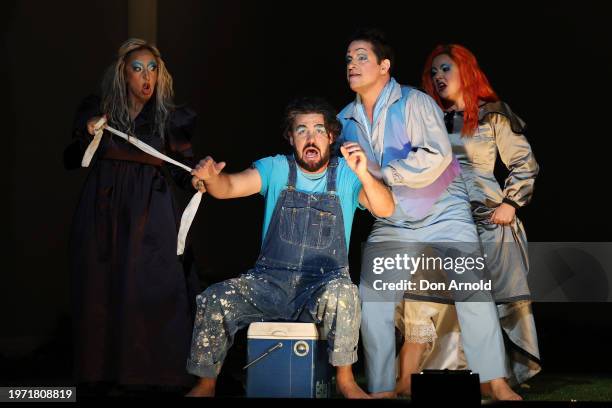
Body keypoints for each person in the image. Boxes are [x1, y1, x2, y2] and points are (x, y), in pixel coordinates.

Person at [337, 28, 522, 400]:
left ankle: (497, 383)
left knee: (472, 291)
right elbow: (353, 183)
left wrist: (379, 173)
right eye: (348, 59)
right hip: (392, 219)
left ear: (384, 66)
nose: (352, 65)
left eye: (361, 57)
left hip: (445, 210)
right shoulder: (345, 120)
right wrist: (366, 196)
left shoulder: (415, 101)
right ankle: (382, 387)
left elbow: (435, 156)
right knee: (373, 298)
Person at [185, 97, 394, 398]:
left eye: (319, 130)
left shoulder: (347, 176)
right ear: (291, 137)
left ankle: (346, 381)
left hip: (323, 286)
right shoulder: (276, 169)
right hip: (269, 284)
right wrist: (213, 178)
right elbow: (228, 187)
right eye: (302, 130)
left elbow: (386, 208)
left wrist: (363, 172)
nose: (311, 138)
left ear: (331, 137)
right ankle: (205, 384)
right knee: (215, 298)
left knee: (344, 294)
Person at [395, 43, 540, 394]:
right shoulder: (429, 120)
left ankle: (495, 381)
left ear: (466, 71)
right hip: (438, 216)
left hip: (485, 216)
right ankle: (404, 381)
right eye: (433, 72)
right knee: (421, 294)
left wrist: (510, 203)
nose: (438, 76)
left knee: (481, 298)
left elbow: (524, 162)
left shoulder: (492, 115)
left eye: (445, 68)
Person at [64, 38, 203, 390]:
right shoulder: (99, 109)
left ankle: (149, 375)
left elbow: (181, 171)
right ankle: (102, 373)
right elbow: (69, 160)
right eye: (138, 68)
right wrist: (88, 131)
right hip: (103, 210)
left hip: (150, 213)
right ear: (123, 74)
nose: (146, 76)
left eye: (152, 68)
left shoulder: (170, 118)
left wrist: (200, 177)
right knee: (100, 286)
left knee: (151, 286)